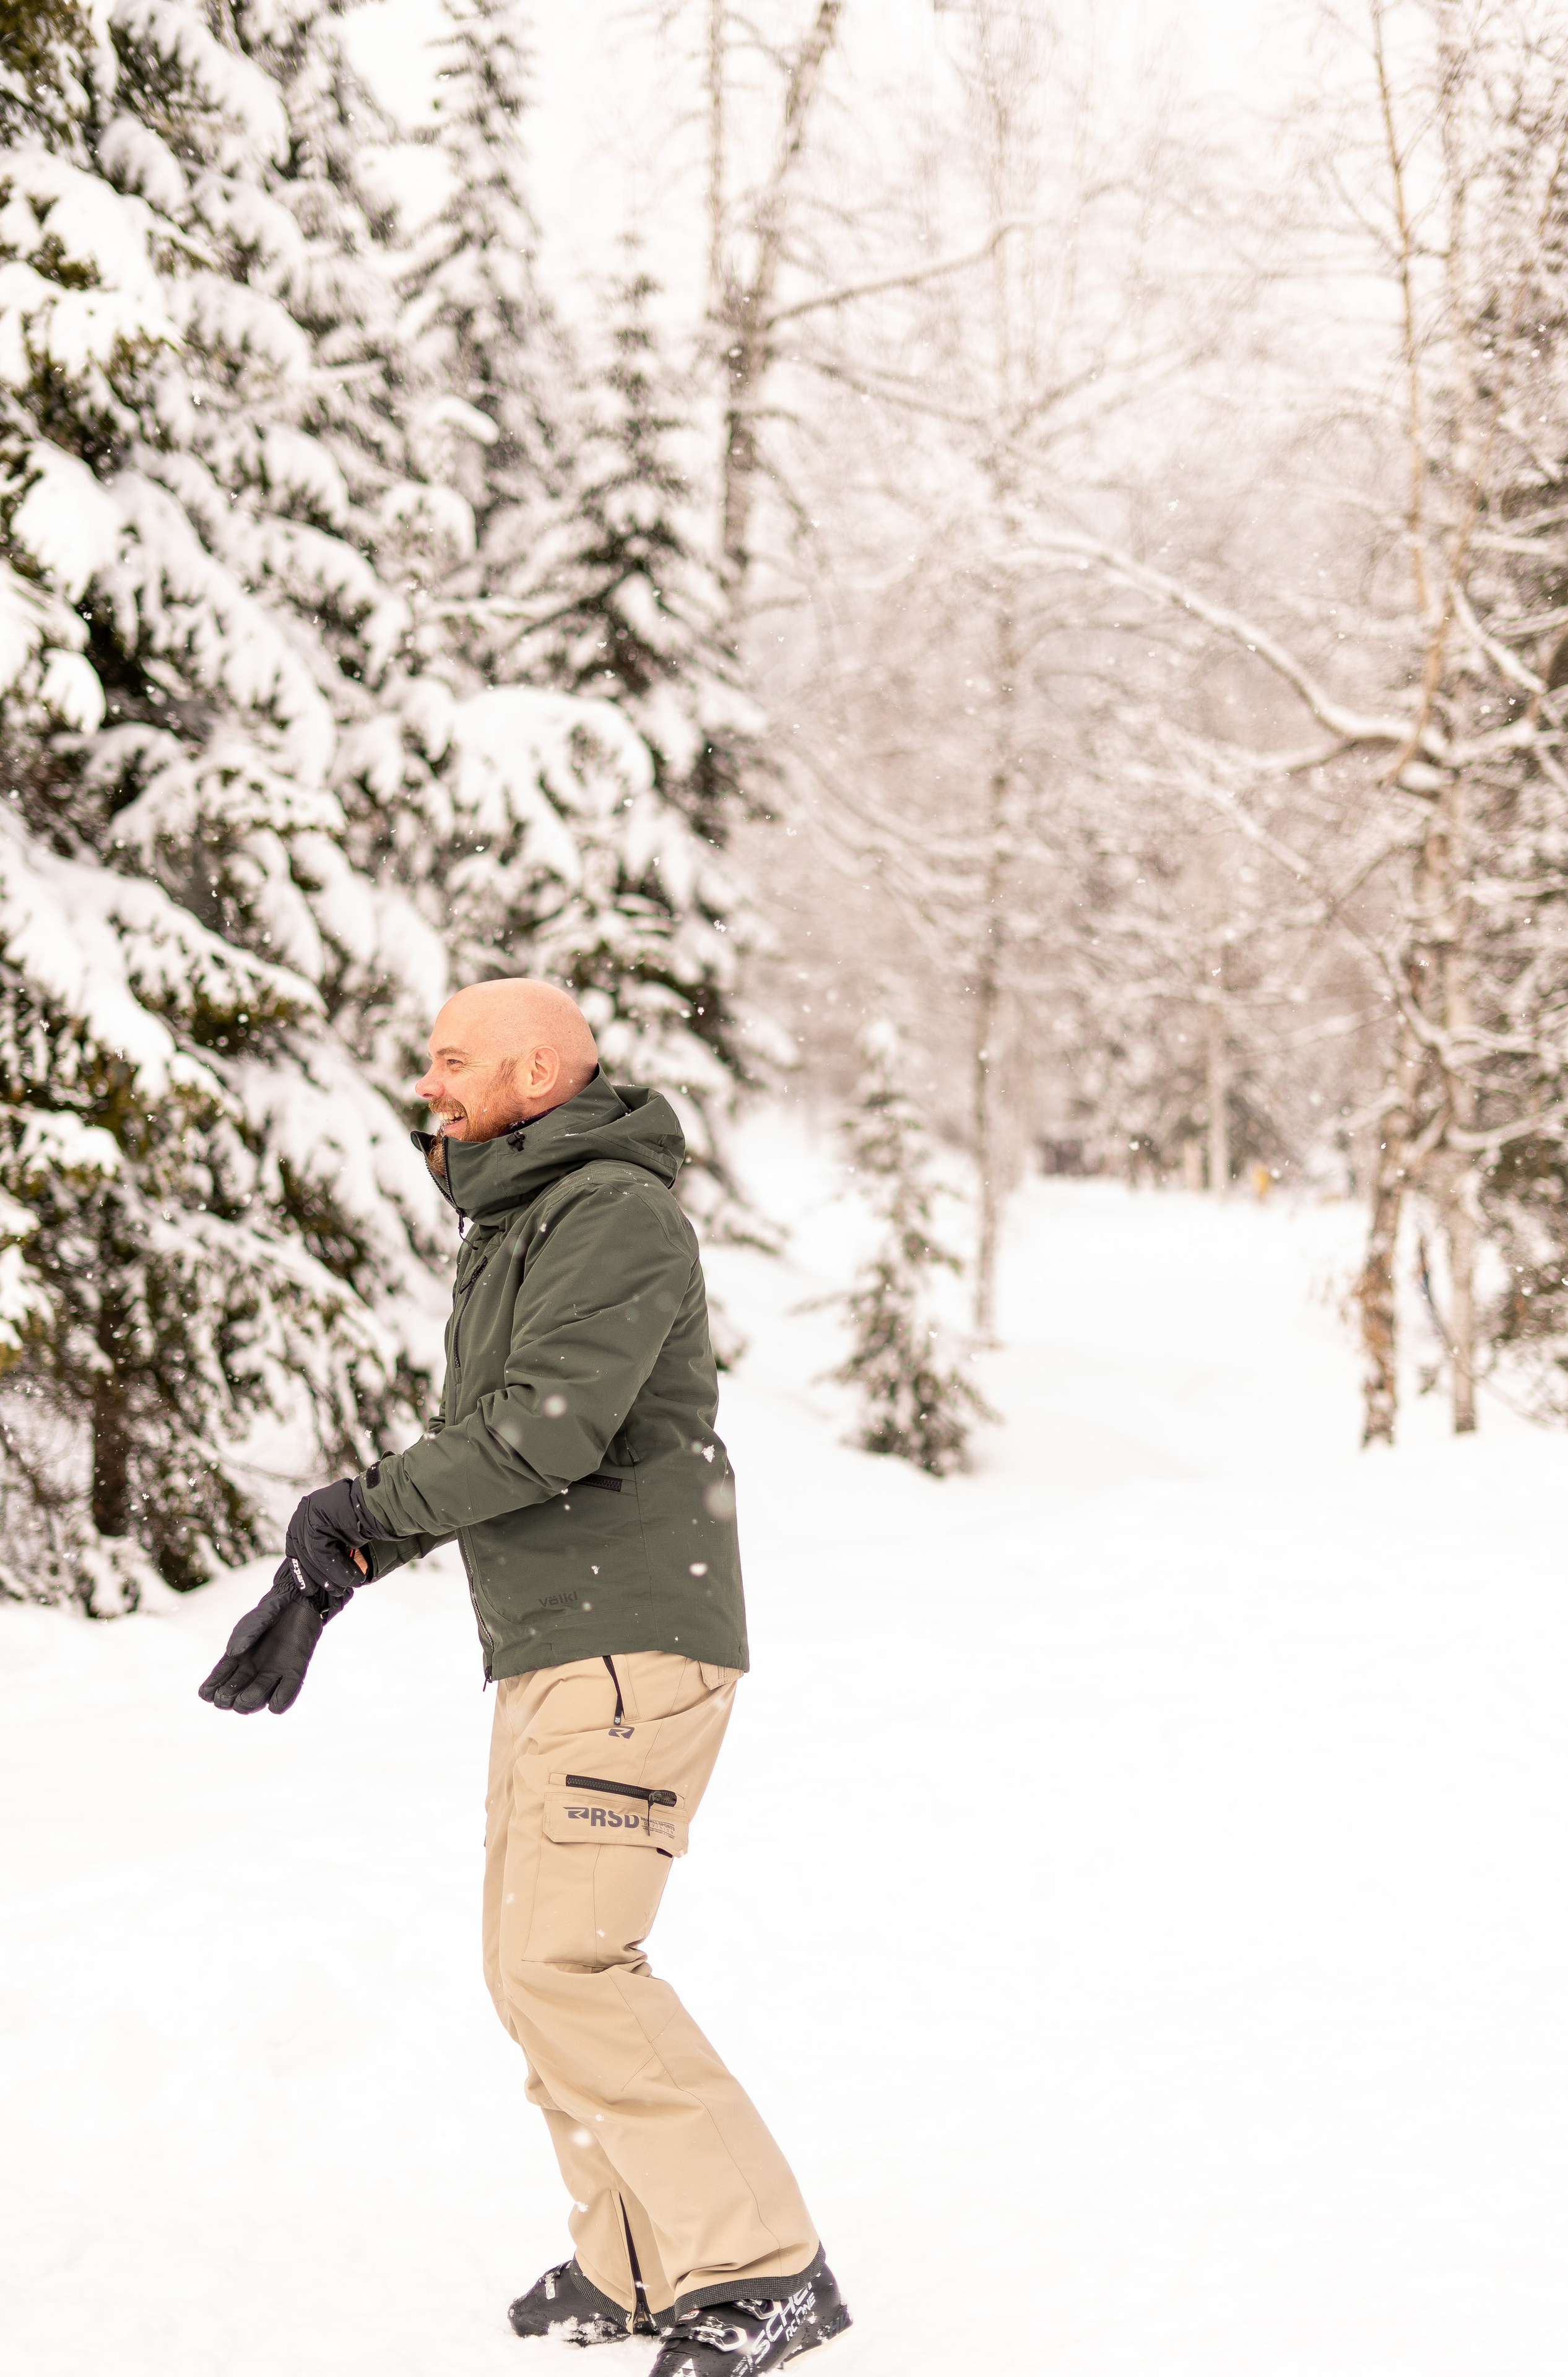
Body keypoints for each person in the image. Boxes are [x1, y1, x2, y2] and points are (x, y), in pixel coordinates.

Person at [199, 980, 851, 2376]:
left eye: (452, 1063)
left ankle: (759, 2267)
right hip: (568, 1638)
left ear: (539, 1071)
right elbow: (513, 1437)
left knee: (568, 1959)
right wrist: (341, 1565)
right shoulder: (526, 1217)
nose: (428, 1085)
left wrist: (358, 1522)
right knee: (530, 1966)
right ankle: (634, 2259)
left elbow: (542, 1431)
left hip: (629, 1638)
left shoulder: (606, 1213)